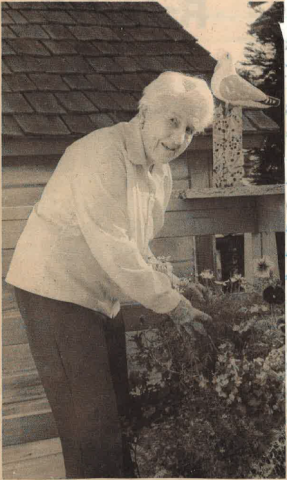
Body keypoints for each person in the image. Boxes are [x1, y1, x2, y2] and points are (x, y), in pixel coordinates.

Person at [6, 71, 214, 479]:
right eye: (173, 121)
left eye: (190, 130)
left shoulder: (160, 173)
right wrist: (174, 306)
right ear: (145, 110)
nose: (178, 138)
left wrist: (169, 281)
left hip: (98, 296)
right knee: (91, 425)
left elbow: (137, 244)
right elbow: (113, 244)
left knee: (117, 413)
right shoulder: (101, 153)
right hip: (54, 292)